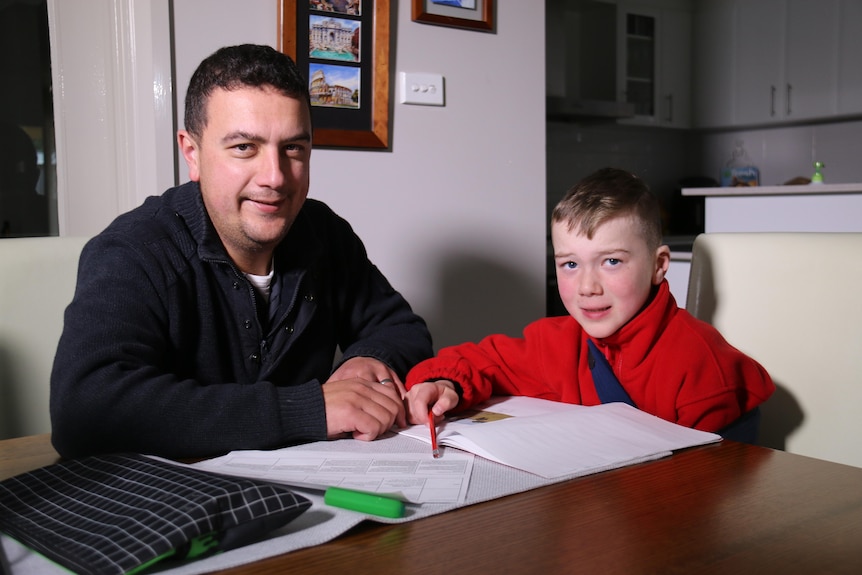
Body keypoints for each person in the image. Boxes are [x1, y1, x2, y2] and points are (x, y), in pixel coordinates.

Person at [50, 44, 432, 459]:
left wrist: (367, 361)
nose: (275, 177)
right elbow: (84, 412)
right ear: (192, 153)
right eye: (244, 147)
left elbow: (403, 331)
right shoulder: (133, 250)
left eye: (294, 149)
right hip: (174, 504)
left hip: (312, 490)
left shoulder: (323, 233)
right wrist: (308, 410)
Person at [404, 167, 774, 439]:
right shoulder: (555, 342)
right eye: (569, 264)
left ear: (659, 266)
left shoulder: (702, 368)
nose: (586, 286)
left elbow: (714, 490)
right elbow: (478, 361)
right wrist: (443, 384)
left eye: (611, 261)